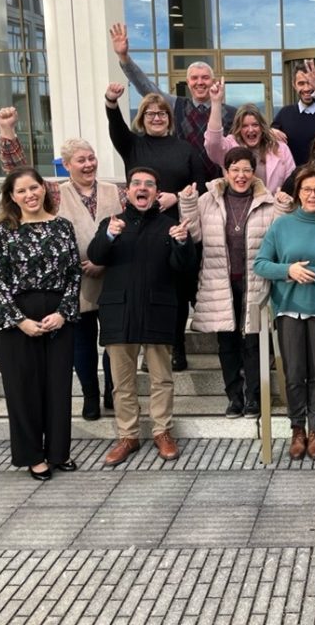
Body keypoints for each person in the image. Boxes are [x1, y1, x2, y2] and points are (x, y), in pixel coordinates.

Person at [0, 106, 122, 420]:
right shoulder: (53, 192)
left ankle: (111, 393)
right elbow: (19, 174)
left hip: (112, 279)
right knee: (81, 346)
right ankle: (90, 396)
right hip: (75, 283)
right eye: (81, 160)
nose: (89, 163)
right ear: (66, 166)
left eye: (91, 157)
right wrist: (8, 132)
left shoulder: (114, 191)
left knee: (113, 343)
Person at [88, 167, 197, 465]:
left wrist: (182, 243)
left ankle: (162, 432)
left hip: (157, 310)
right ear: (128, 192)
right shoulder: (111, 224)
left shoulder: (169, 225)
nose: (143, 188)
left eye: (149, 184)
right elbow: (96, 256)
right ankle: (128, 436)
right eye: (136, 183)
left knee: (161, 378)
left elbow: (184, 267)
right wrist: (109, 236)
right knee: (122, 381)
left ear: (156, 193)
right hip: (118, 310)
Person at [0, 167, 81, 480]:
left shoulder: (63, 226)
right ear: (12, 197)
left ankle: (58, 452)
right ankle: (33, 455)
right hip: (18, 320)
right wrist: (18, 320)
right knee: (23, 390)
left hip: (57, 315)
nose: (30, 195)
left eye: (34, 188)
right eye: (22, 191)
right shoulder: (2, 231)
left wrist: (64, 312)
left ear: (44, 189)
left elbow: (73, 275)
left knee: (58, 388)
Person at [180, 147, 287, 420]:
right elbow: (192, 235)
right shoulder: (207, 200)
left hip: (256, 282)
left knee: (253, 342)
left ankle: (254, 397)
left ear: (254, 173)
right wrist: (188, 204)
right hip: (219, 282)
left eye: (246, 170)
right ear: (225, 172)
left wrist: (285, 207)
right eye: (235, 170)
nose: (241, 175)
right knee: (226, 343)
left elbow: (281, 240)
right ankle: (234, 398)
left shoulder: (269, 201)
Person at [104, 82, 206, 371]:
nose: (157, 117)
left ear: (169, 119)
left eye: (162, 113)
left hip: (176, 228)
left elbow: (199, 182)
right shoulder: (133, 145)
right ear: (142, 118)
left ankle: (176, 346)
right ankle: (149, 349)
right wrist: (111, 101)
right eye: (150, 113)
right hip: (140, 229)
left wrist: (177, 195)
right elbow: (115, 126)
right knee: (146, 289)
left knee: (176, 291)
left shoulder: (184, 149)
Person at [254, 167, 315, 461]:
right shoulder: (281, 226)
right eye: (307, 189)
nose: (313, 194)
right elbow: (261, 264)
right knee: (294, 373)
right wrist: (288, 270)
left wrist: (312, 273)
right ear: (297, 193)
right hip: (289, 308)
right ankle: (297, 429)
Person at [109, 22, 236, 180]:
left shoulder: (232, 113)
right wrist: (124, 57)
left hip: (222, 184)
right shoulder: (176, 105)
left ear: (213, 80)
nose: (200, 82)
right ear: (188, 82)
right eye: (194, 78)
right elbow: (144, 86)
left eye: (205, 77)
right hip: (185, 185)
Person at [204, 81, 296, 194]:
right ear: (238, 128)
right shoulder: (229, 147)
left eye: (255, 125)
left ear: (262, 127)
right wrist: (216, 103)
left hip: (273, 208)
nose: (251, 130)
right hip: (239, 209)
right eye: (245, 126)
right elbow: (213, 143)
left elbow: (291, 183)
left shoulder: (280, 148)